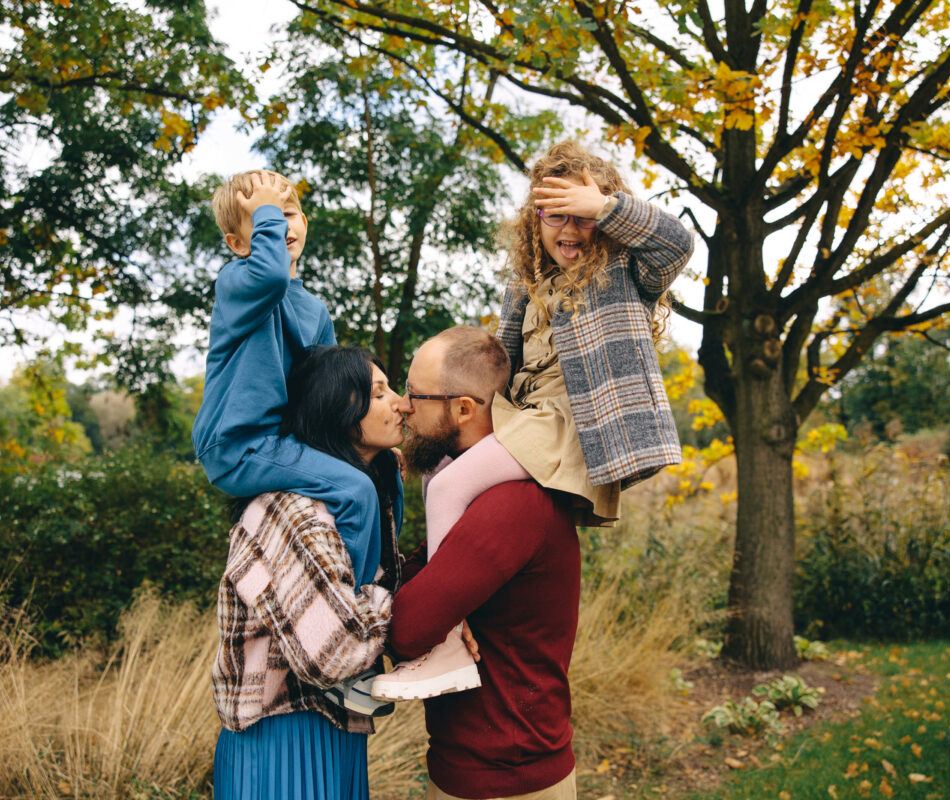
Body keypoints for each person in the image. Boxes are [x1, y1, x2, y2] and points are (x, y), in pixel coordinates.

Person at [372, 140, 695, 702]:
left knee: (446, 486)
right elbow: (502, 362)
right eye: (555, 215)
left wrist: (606, 208)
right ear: (535, 220)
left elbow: (677, 243)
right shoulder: (528, 284)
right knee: (441, 465)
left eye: (582, 216)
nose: (570, 229)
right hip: (527, 416)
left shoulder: (623, 272)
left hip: (573, 426)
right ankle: (430, 585)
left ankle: (444, 642)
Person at [380, 326, 582, 800]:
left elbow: (407, 628)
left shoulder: (512, 505)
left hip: (509, 780)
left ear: (464, 409)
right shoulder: (477, 495)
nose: (404, 406)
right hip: (475, 768)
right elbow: (419, 578)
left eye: (415, 394)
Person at [212, 345, 405, 800]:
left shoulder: (360, 497)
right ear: (338, 410)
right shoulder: (296, 512)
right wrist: (390, 600)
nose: (401, 403)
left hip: (336, 730)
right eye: (380, 394)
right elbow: (336, 652)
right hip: (283, 740)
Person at [191, 170, 382, 592]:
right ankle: (351, 602)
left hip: (283, 442)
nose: (279, 224)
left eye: (287, 213)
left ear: (304, 223)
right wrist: (269, 212)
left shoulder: (315, 309)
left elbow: (327, 395)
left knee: (381, 470)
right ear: (238, 244)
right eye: (264, 218)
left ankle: (383, 580)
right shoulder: (237, 282)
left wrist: (368, 440)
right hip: (238, 443)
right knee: (355, 491)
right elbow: (272, 276)